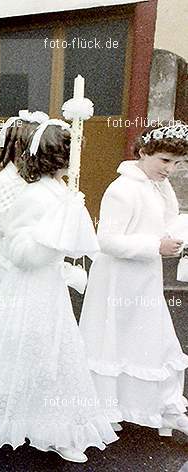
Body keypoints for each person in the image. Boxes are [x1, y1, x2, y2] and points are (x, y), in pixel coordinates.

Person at [0, 121, 117, 463]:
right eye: (70, 154)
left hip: (49, 285)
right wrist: (54, 242)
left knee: (55, 349)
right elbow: (20, 250)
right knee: (27, 345)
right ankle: (9, 416)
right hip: (30, 286)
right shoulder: (32, 196)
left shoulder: (60, 192)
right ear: (57, 157)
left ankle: (55, 426)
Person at [79, 123, 188, 438]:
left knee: (152, 340)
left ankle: (166, 408)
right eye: (165, 160)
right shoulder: (122, 189)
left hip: (144, 277)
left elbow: (165, 220)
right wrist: (156, 246)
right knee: (112, 341)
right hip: (117, 279)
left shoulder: (157, 185)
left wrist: (177, 234)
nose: (171, 169)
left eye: (178, 163)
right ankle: (105, 408)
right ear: (143, 152)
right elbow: (107, 241)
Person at [0, 110, 47, 294]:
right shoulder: (5, 181)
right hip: (6, 256)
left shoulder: (28, 177)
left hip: (26, 254)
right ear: (19, 147)